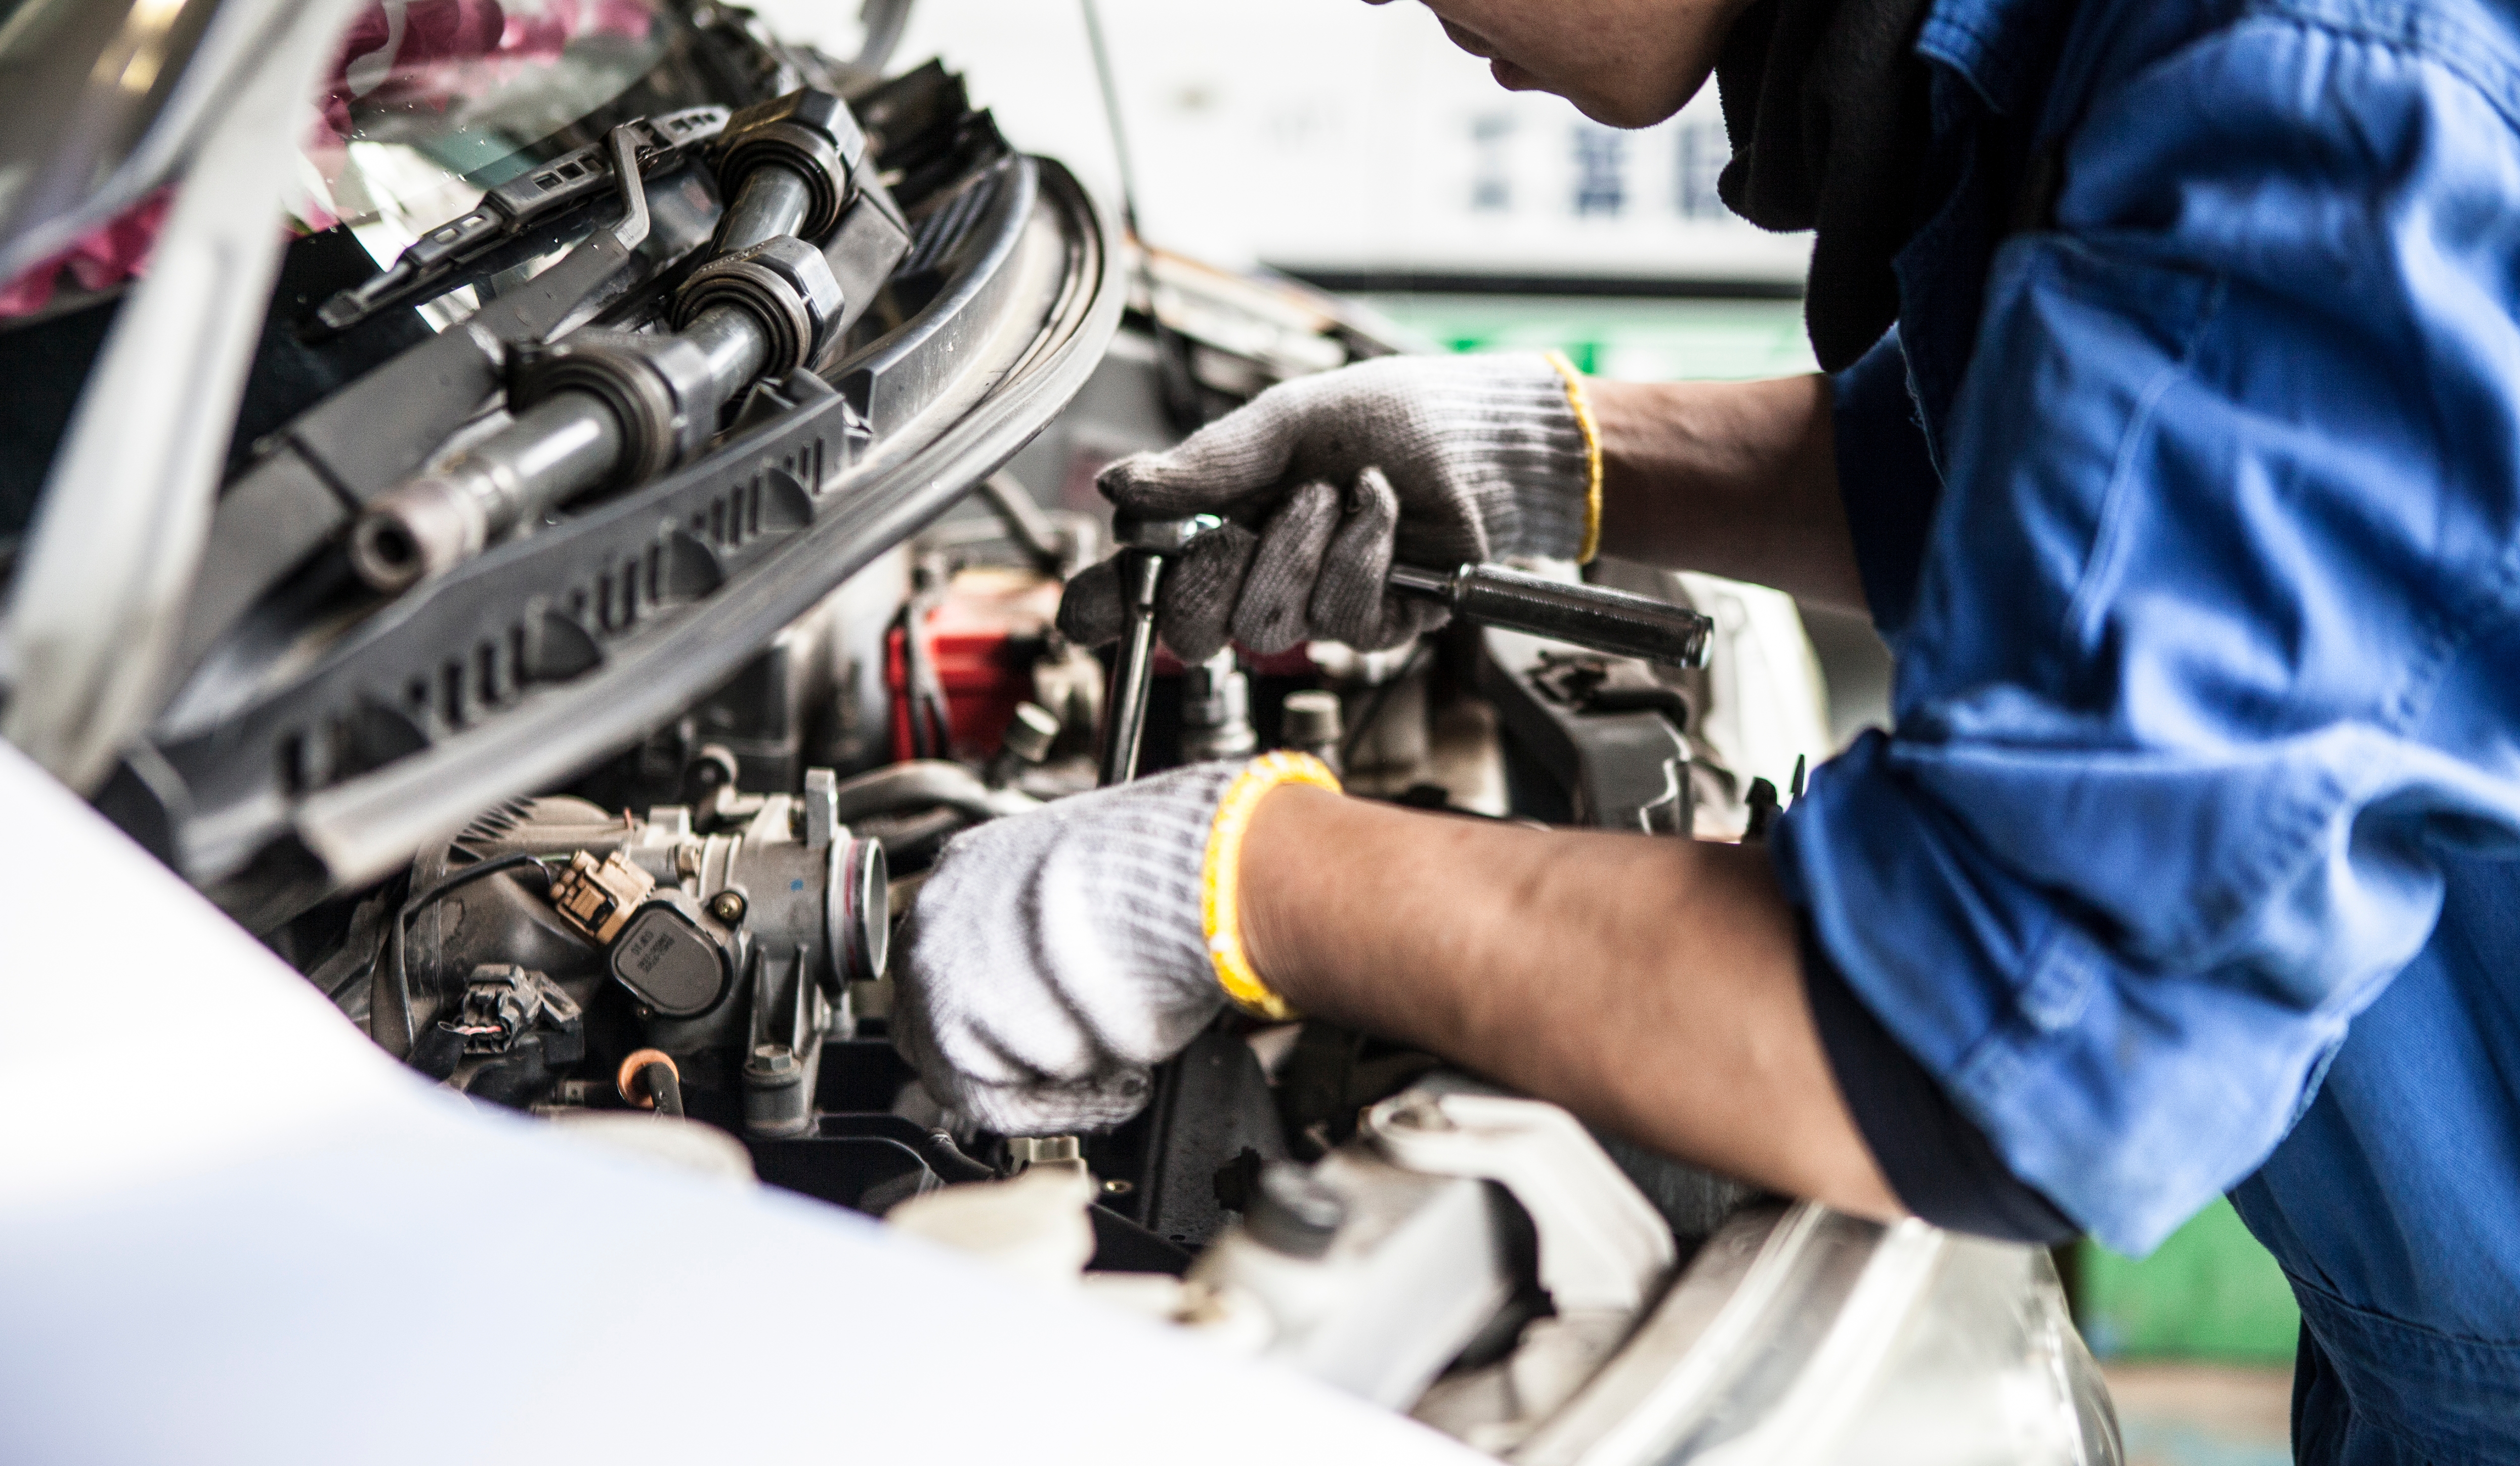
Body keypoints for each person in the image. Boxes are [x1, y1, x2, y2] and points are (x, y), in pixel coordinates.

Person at [891, 0, 2520, 1457]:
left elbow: (1988, 1023)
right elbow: (2076, 492)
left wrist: (1238, 884)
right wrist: (1555, 455)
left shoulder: (2306, 82)